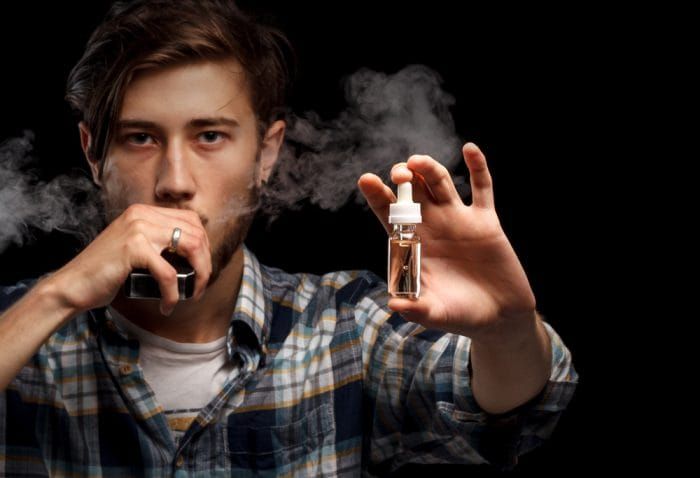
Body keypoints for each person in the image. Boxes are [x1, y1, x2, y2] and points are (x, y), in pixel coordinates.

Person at [0, 0, 578, 476]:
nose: (174, 183)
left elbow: (517, 410)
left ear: (267, 153)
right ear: (93, 154)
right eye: (140, 139)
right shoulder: (17, 327)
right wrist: (58, 294)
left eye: (209, 136)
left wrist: (504, 330)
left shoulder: (349, 327)